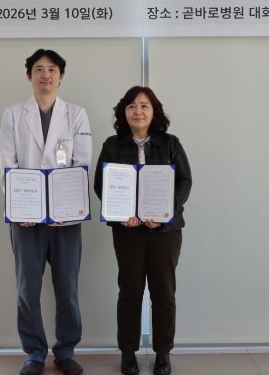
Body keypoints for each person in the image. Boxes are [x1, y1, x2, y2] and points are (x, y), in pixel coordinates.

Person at [0, 49, 92, 375]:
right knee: (27, 289)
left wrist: (70, 207)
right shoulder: (13, 115)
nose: (46, 75)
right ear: (29, 76)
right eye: (39, 69)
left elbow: (82, 164)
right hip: (26, 220)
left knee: (67, 289)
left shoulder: (76, 114)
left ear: (61, 76)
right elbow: (7, 164)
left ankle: (65, 351)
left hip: (66, 220)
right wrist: (19, 208)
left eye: (52, 69)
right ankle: (35, 353)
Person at [94, 86, 192, 375]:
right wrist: (120, 215)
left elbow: (184, 181)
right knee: (130, 292)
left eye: (144, 106)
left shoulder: (171, 143)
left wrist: (165, 214)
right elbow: (101, 184)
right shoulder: (112, 145)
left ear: (154, 111)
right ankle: (128, 353)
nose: (138, 111)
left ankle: (163, 353)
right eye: (132, 106)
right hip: (128, 232)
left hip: (165, 232)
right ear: (123, 112)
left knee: (163, 292)